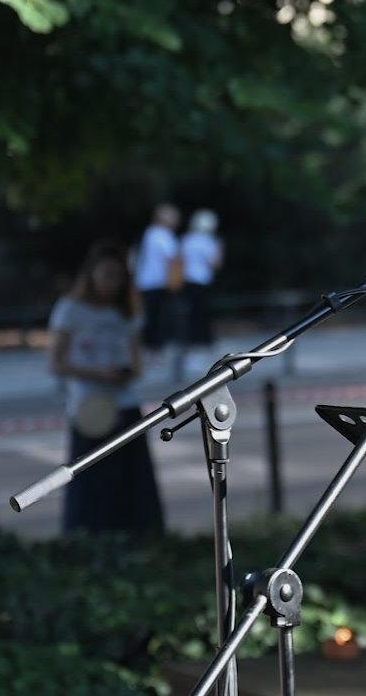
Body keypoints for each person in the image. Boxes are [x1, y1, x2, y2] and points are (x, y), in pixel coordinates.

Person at [48, 241, 165, 534]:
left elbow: (137, 362)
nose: (112, 283)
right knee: (91, 487)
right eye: (107, 275)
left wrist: (125, 374)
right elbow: (56, 363)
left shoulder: (127, 311)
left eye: (118, 276)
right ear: (91, 275)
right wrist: (97, 373)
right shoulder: (71, 310)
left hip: (124, 404)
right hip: (90, 409)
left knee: (130, 487)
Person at [134, 202, 182, 357]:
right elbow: (172, 258)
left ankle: (150, 347)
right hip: (157, 282)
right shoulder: (162, 235)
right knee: (155, 317)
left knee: (150, 316)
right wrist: (175, 282)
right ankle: (153, 348)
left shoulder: (150, 233)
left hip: (147, 281)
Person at [180, 208, 224, 373]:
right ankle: (199, 353)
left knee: (190, 318)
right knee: (202, 318)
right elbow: (215, 263)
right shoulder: (208, 241)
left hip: (187, 283)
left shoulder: (187, 239)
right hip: (202, 283)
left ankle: (190, 352)